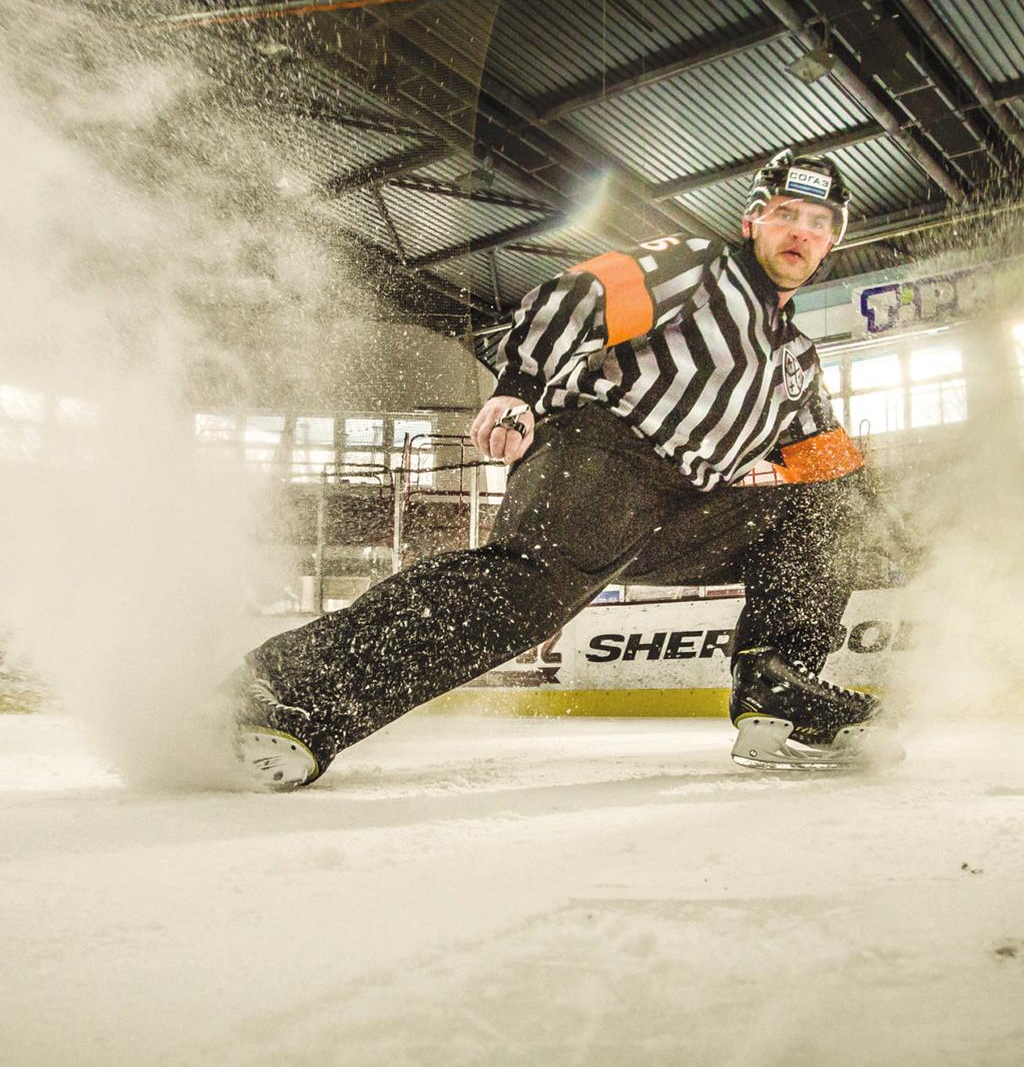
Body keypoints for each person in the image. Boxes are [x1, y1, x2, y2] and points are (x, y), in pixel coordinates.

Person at [232, 147, 879, 789]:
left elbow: (828, 463)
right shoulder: (704, 269)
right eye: (787, 214)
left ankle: (777, 685)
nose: (801, 231)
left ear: (831, 242)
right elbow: (588, 294)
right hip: (602, 455)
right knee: (527, 594)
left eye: (819, 223)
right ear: (752, 222)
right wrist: (520, 386)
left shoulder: (796, 354)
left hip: (682, 508)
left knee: (831, 509)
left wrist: (907, 533)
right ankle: (284, 686)